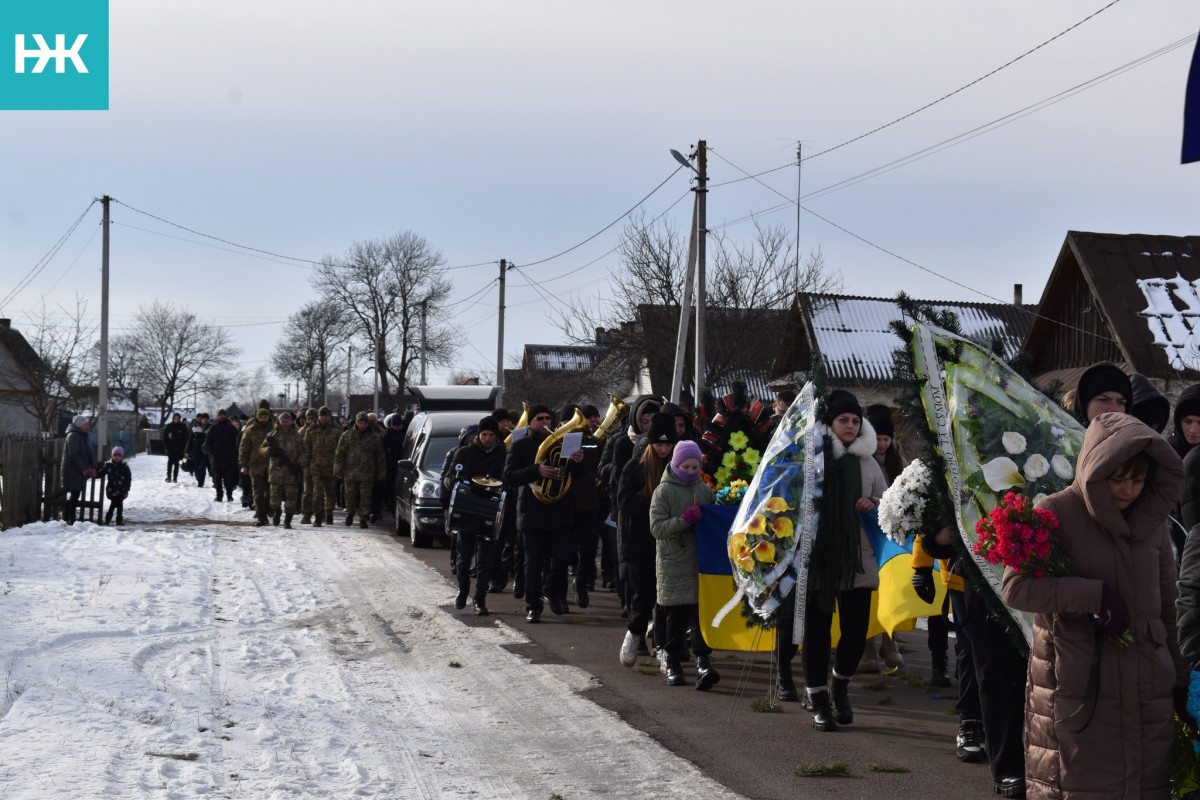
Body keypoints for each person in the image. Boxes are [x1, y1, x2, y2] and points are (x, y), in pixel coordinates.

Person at [1003, 413, 1187, 800]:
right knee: (1083, 786)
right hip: (1079, 682)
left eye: (1138, 480)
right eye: (1118, 478)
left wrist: (1180, 677)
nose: (1128, 490)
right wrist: (1093, 597)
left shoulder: (1152, 522)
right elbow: (1017, 589)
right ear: (1094, 469)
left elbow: (1167, 604)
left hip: (1146, 682)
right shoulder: (1057, 511)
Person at [802, 390, 887, 732]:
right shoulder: (813, 459)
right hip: (819, 559)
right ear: (829, 423)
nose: (850, 426)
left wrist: (874, 504)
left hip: (858, 558)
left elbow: (889, 507)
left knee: (855, 632)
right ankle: (819, 700)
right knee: (817, 633)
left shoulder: (869, 463)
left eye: (855, 420)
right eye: (843, 420)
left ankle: (840, 685)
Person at [504, 404, 583, 623]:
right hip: (532, 513)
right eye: (539, 418)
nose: (545, 422)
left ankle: (551, 590)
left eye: (548, 418)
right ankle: (533, 606)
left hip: (560, 512)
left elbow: (575, 475)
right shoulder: (520, 446)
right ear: (530, 423)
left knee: (560, 559)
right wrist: (536, 470)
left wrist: (577, 462)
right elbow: (509, 476)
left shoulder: (563, 442)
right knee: (532, 564)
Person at [649, 439, 718, 688]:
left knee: (700, 619)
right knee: (674, 622)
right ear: (676, 464)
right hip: (674, 565)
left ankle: (703, 661)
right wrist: (684, 519)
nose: (690, 472)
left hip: (699, 564)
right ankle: (673, 662)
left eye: (695, 467)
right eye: (686, 466)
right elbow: (657, 528)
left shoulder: (705, 489)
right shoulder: (663, 491)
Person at [617, 413, 677, 667]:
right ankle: (634, 631)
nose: (663, 449)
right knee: (642, 596)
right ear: (651, 443)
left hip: (668, 543)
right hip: (639, 542)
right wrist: (656, 507)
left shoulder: (677, 466)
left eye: (667, 444)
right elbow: (624, 501)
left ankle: (663, 647)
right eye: (659, 444)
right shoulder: (636, 466)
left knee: (665, 599)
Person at [860, 404, 908, 676]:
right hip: (866, 536)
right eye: (877, 438)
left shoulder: (896, 462)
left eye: (885, 439)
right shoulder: (861, 461)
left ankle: (889, 642)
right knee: (867, 591)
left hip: (890, 537)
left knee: (892, 589)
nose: (881, 444)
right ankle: (867, 647)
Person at [444, 416, 507, 616]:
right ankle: (463, 592)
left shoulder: (503, 454)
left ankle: (480, 599)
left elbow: (509, 479)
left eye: (491, 435)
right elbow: (447, 478)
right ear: (478, 435)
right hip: (467, 511)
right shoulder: (464, 453)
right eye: (484, 434)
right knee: (463, 559)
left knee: (485, 560)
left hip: (489, 512)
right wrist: (454, 480)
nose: (488, 439)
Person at [334, 411, 386, 528]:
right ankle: (350, 514)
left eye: (365, 423)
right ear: (356, 423)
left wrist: (382, 472)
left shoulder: (373, 437)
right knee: (350, 496)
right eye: (360, 423)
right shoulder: (347, 435)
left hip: (367, 473)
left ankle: (363, 518)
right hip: (350, 472)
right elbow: (340, 454)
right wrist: (338, 469)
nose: (363, 425)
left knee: (365, 497)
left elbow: (380, 456)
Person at [261, 411, 307, 528]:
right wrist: (270, 451)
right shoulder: (272, 435)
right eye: (283, 421)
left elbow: (305, 452)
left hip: (292, 473)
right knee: (274, 500)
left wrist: (299, 464)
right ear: (279, 422)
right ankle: (277, 512)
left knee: (291, 499)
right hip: (276, 473)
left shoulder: (297, 436)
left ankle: (288, 520)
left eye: (287, 421)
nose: (285, 423)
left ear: (291, 422)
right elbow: (262, 449)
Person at [304, 406, 341, 527]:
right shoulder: (311, 430)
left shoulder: (336, 430)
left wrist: (339, 467)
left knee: (330, 494)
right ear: (319, 416)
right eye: (322, 415)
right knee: (317, 493)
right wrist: (306, 465)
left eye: (326, 416)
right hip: (316, 467)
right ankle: (318, 517)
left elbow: (341, 450)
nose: (324, 418)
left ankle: (329, 515)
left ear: (329, 417)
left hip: (331, 467)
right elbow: (306, 449)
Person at [61, 414, 97, 525]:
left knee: (75, 495)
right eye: (85, 424)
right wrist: (83, 469)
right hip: (72, 471)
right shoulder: (73, 436)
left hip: (78, 471)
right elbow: (74, 455)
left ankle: (67, 519)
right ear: (79, 424)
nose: (87, 426)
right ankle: (70, 520)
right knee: (74, 495)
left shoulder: (83, 436)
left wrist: (93, 467)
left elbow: (90, 453)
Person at [1072, 361, 1132, 426]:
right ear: (1084, 406)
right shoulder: (1062, 434)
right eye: (1103, 400)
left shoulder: (1138, 434)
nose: (1114, 409)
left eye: (1121, 402)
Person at [206, 408, 240, 502]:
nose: (222, 417)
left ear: (226, 416)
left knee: (228, 478)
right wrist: (212, 452)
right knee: (217, 478)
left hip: (229, 457)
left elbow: (237, 441)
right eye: (221, 415)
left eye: (224, 415)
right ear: (218, 416)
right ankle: (219, 495)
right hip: (217, 457)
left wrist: (234, 452)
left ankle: (229, 495)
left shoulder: (231, 428)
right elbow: (208, 442)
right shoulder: (214, 428)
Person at [98, 446, 131, 526]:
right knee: (114, 504)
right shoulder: (109, 465)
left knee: (119, 505)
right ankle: (109, 520)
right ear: (112, 456)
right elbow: (102, 473)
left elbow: (128, 478)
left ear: (122, 457)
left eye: (119, 455)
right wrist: (95, 474)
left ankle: (115, 520)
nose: (117, 457)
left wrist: (127, 488)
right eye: (115, 455)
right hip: (112, 489)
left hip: (121, 489)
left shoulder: (124, 466)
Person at [185, 413, 210, 487]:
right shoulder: (195, 428)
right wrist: (187, 451)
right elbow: (190, 441)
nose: (205, 421)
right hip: (195, 451)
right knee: (196, 467)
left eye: (206, 419)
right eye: (204, 419)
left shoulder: (210, 429)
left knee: (203, 466)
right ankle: (198, 478)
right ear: (201, 420)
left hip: (205, 452)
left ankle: (201, 481)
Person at [162, 413, 188, 483]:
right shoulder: (169, 426)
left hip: (179, 448)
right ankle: (169, 476)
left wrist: (183, 447)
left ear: (179, 419)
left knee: (176, 463)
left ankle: (175, 478)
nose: (176, 419)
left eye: (177, 418)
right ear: (173, 418)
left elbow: (186, 438)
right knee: (170, 462)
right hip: (170, 448)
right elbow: (165, 437)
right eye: (175, 417)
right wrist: (166, 446)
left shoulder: (182, 427)